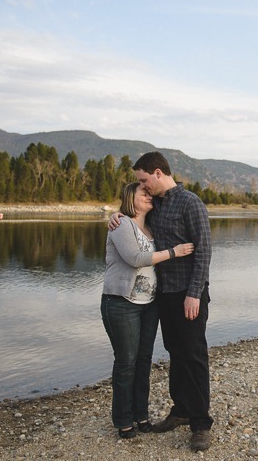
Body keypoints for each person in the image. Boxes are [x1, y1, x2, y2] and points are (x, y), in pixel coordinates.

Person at [108, 151, 213, 451]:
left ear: (157, 173)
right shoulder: (156, 205)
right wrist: (115, 216)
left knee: (194, 355)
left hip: (188, 293)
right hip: (164, 294)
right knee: (175, 352)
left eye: (143, 180)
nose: (143, 186)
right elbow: (133, 222)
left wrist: (194, 293)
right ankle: (180, 410)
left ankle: (201, 423)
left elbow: (203, 251)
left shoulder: (190, 202)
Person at [101, 181, 194, 439]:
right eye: (144, 193)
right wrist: (174, 252)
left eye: (149, 192)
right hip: (121, 304)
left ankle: (141, 415)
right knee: (126, 362)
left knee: (143, 362)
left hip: (149, 305)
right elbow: (135, 258)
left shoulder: (151, 227)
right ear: (130, 197)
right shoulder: (121, 225)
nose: (149, 196)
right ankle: (122, 419)